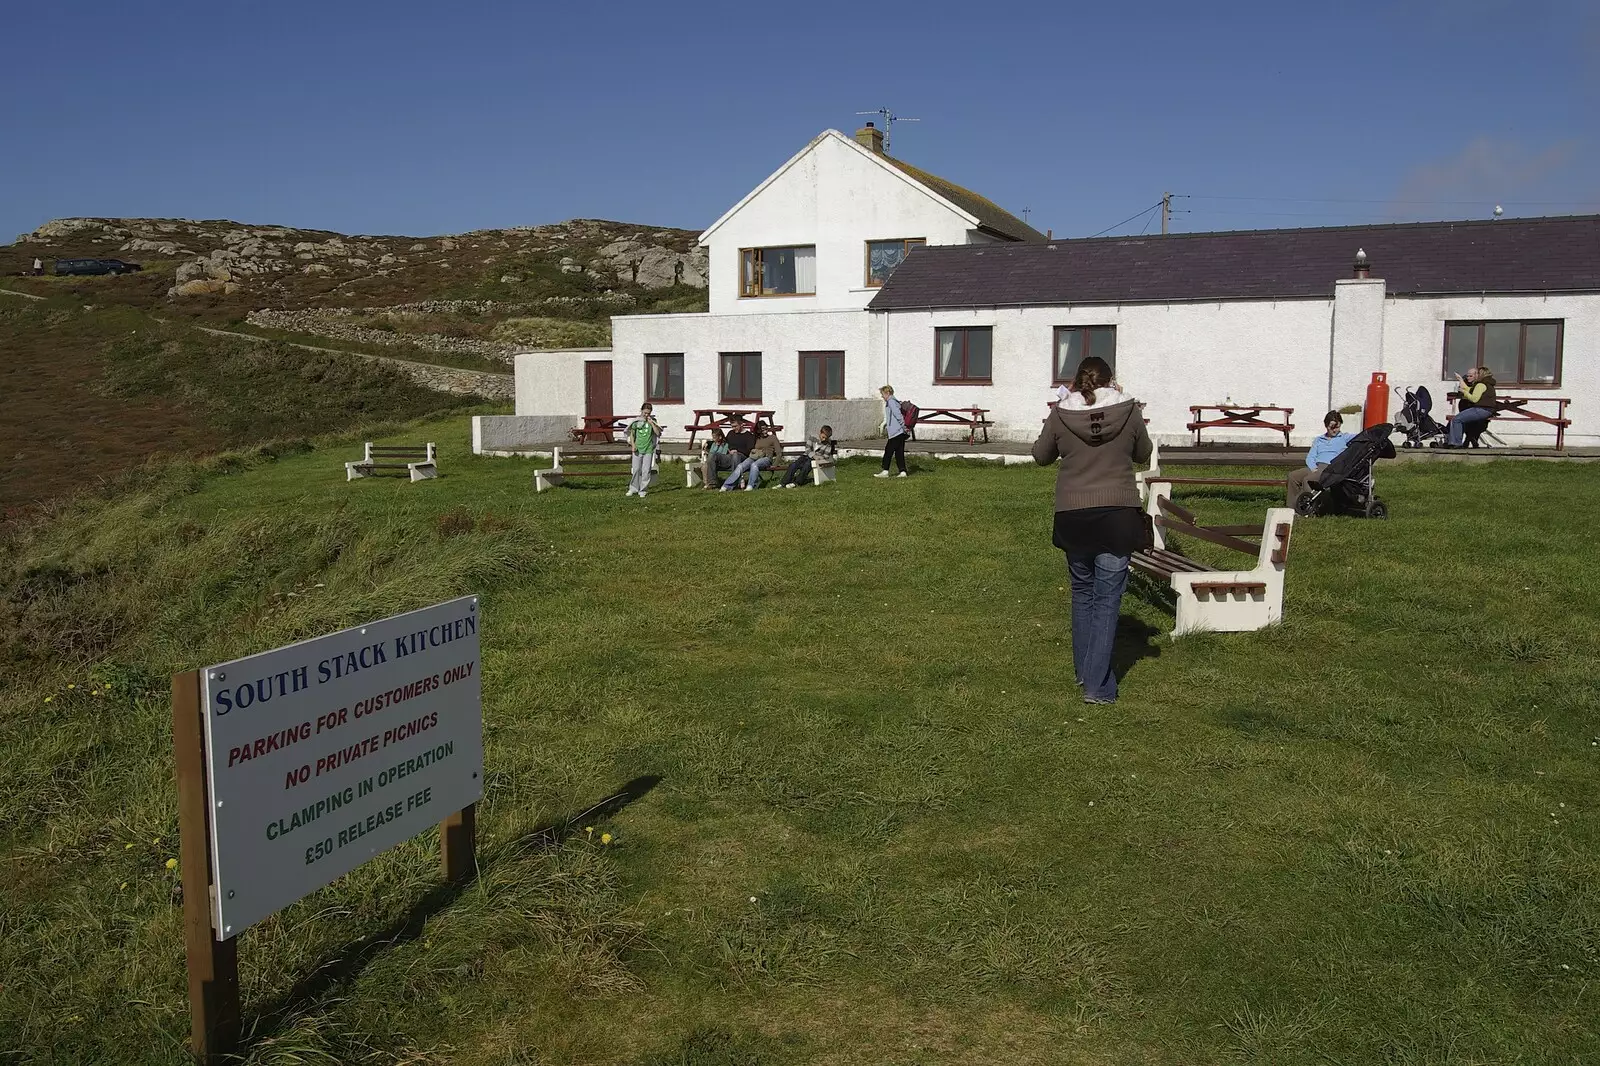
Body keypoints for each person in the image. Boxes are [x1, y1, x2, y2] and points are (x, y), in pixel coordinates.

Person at [1031, 356, 1152, 705]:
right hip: (1116, 513)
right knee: (1107, 600)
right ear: (1111, 381)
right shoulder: (1128, 411)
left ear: (1078, 380)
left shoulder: (1061, 412)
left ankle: (1086, 673)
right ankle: (1098, 686)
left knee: (1083, 593)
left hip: (1073, 513)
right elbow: (1144, 453)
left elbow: (1040, 455)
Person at [1286, 410, 1354, 506]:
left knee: (1308, 480)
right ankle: (1291, 507)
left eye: (1337, 427)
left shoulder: (1344, 438)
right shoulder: (1319, 440)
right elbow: (1310, 457)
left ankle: (1309, 507)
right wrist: (1313, 467)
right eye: (1332, 427)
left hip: (1330, 468)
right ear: (1326, 426)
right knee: (1292, 476)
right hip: (1316, 466)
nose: (1335, 430)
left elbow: (1361, 436)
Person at [1443, 366, 1498, 447]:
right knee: (1459, 420)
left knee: (1456, 420)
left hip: (1482, 409)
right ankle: (1454, 442)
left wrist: (1464, 392)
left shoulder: (1481, 384)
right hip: (1486, 410)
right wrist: (1460, 380)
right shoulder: (1486, 383)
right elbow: (1469, 389)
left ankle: (1456, 443)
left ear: (1481, 374)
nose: (1476, 375)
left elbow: (1474, 399)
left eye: (1477, 373)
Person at [722, 426, 779, 490]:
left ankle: (751, 485)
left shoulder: (772, 437)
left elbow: (779, 453)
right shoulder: (756, 438)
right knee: (740, 466)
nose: (765, 431)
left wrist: (775, 465)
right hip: (755, 457)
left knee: (754, 465)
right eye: (762, 430)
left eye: (766, 429)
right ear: (758, 431)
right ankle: (726, 485)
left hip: (766, 458)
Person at [624, 402, 662, 498]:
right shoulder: (636, 421)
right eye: (645, 413)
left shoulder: (653, 421)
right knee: (636, 469)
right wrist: (633, 445)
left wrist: (652, 423)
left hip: (648, 449)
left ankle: (643, 489)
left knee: (646, 471)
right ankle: (633, 488)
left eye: (648, 413)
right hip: (637, 449)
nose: (646, 415)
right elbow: (631, 434)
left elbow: (658, 433)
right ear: (641, 411)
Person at [875, 385, 909, 478]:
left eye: (882, 394)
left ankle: (885, 471)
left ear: (887, 393)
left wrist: (903, 426)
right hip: (899, 431)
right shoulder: (894, 401)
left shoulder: (891, 402)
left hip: (896, 432)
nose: (882, 396)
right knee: (899, 452)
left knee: (888, 451)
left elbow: (898, 415)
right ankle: (903, 471)